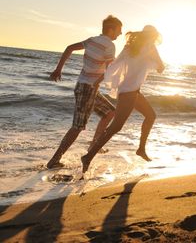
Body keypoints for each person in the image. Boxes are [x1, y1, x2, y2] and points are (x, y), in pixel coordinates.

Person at [81, 25, 165, 173]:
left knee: (151, 116)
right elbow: (161, 67)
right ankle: (88, 156)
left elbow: (114, 64)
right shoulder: (150, 47)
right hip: (130, 91)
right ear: (152, 36)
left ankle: (141, 149)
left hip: (129, 90)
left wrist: (101, 79)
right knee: (116, 126)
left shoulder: (129, 47)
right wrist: (154, 64)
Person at [46, 15, 122, 169]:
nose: (119, 34)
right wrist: (99, 81)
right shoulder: (109, 45)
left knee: (110, 113)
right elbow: (110, 69)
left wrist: (58, 69)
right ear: (111, 29)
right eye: (119, 31)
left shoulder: (91, 40)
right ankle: (54, 160)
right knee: (78, 126)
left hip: (86, 87)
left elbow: (69, 48)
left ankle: (94, 147)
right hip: (88, 88)